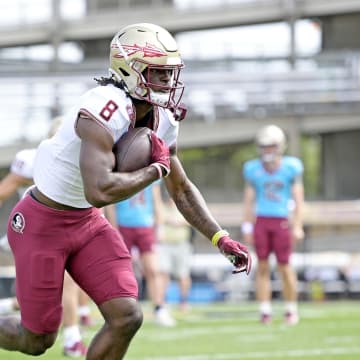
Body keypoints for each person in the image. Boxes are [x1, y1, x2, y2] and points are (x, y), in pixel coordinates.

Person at [0, 23, 251, 359]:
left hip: (86, 223)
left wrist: (219, 237)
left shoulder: (163, 119)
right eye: (159, 74)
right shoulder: (103, 107)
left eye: (170, 74)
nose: (168, 83)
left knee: (127, 316)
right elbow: (99, 190)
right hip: (42, 223)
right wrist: (153, 170)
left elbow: (181, 188)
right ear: (129, 69)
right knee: (37, 341)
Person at [0, 118, 90, 357]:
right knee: (65, 285)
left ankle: (71, 336)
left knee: (36, 301)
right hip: (33, 232)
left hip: (64, 231)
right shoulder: (34, 160)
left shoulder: (86, 160)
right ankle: (72, 340)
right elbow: (3, 192)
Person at [241, 124, 304, 325]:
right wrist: (247, 226)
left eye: (271, 146)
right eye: (264, 146)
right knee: (262, 266)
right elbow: (249, 201)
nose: (267, 150)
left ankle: (291, 309)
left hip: (282, 220)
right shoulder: (252, 169)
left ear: (280, 146)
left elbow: (299, 199)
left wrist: (298, 225)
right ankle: (265, 310)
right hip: (262, 220)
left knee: (285, 267)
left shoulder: (291, 167)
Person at [105, 183, 177, 327]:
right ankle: (127, 309)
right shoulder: (120, 169)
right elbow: (111, 203)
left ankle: (159, 308)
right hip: (124, 224)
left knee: (153, 269)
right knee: (124, 270)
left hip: (145, 225)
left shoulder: (149, 170)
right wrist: (114, 227)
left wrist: (160, 225)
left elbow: (156, 199)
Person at [157, 195, 193, 313]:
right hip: (165, 245)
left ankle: (183, 302)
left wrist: (179, 222)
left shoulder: (184, 206)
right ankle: (162, 302)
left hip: (182, 244)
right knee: (163, 274)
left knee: (183, 275)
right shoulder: (160, 206)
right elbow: (158, 219)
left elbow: (192, 220)